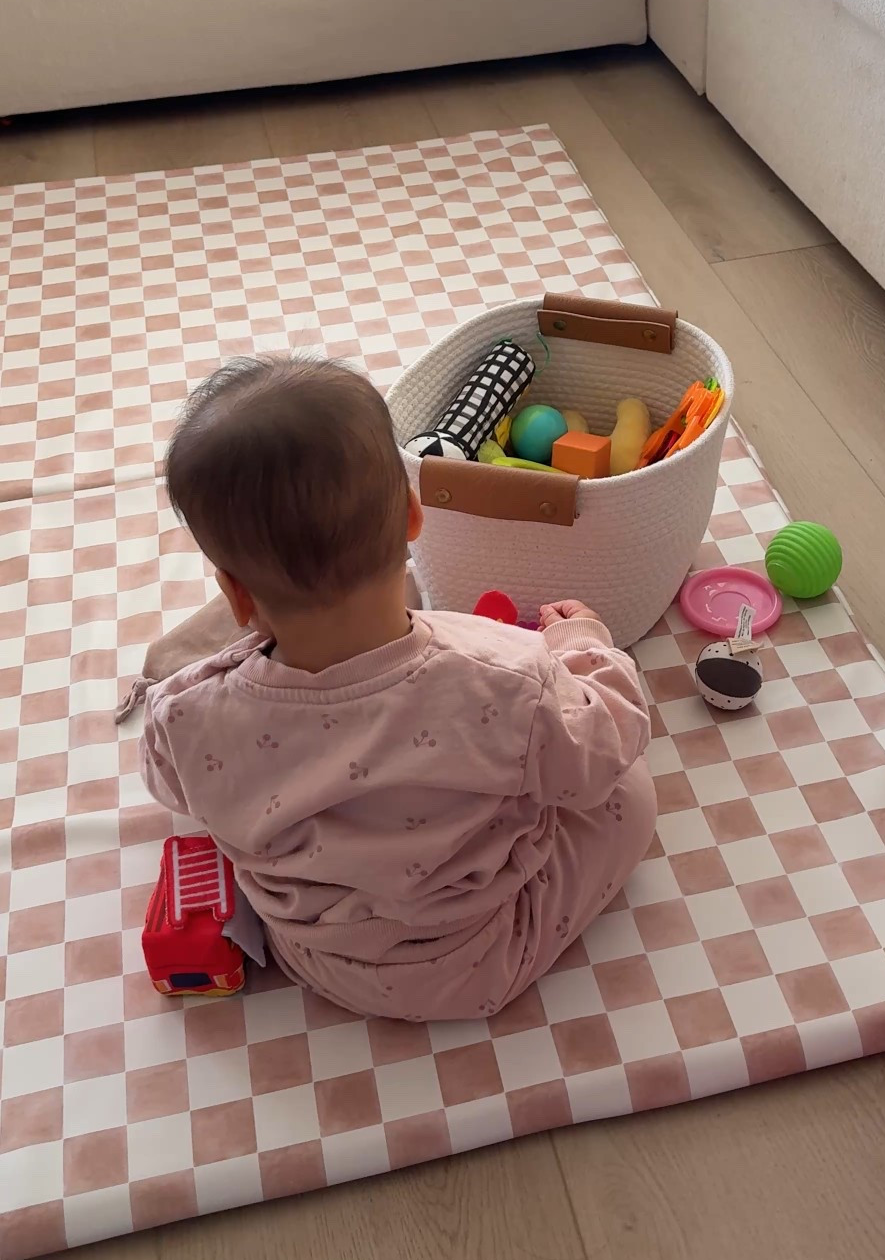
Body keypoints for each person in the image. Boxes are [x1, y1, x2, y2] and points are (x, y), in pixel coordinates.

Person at [140, 355, 657, 1020]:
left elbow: (172, 786)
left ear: (235, 594)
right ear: (414, 515)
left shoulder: (184, 713)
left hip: (317, 960)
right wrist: (585, 644)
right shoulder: (505, 678)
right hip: (483, 956)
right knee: (628, 792)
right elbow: (604, 747)